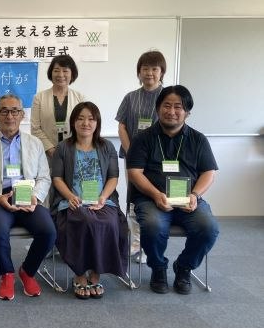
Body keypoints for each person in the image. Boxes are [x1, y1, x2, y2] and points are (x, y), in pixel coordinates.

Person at [127, 85, 219, 294]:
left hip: (188, 200)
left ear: (187, 112)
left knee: (208, 228)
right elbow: (134, 173)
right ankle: (158, 268)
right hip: (151, 199)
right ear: (158, 108)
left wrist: (195, 195)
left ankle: (184, 267)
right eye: (166, 105)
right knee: (152, 226)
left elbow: (209, 173)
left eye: (178, 107)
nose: (171, 111)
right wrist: (155, 194)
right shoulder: (143, 138)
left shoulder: (198, 139)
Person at [0, 94, 56, 301]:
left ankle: (27, 271)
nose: (10, 116)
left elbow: (44, 177)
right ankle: (6, 274)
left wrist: (35, 197)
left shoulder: (35, 143)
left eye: (15, 111)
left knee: (48, 231)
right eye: (4, 111)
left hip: (28, 198)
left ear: (22, 115)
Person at [51, 102, 129, 299]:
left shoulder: (107, 146)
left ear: (97, 123)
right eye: (80, 118)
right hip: (72, 201)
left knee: (109, 222)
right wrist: (70, 196)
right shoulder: (63, 147)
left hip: (102, 200)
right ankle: (79, 274)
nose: (86, 123)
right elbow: (57, 178)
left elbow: (113, 177)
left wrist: (103, 197)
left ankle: (95, 274)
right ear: (73, 122)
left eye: (91, 119)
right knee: (85, 221)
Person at [115, 50, 166, 261]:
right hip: (133, 159)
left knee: (154, 198)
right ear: (139, 72)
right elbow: (122, 126)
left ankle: (149, 244)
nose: (149, 73)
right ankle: (134, 242)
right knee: (133, 199)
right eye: (145, 68)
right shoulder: (130, 97)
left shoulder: (167, 97)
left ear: (162, 72)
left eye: (154, 69)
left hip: (159, 161)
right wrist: (132, 153)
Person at [31, 54, 86, 160]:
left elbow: (83, 126)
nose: (60, 75)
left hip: (74, 153)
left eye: (65, 71)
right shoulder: (39, 98)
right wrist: (51, 150)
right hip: (46, 154)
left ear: (72, 74)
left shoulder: (80, 98)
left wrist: (72, 149)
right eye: (56, 70)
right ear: (51, 73)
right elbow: (35, 128)